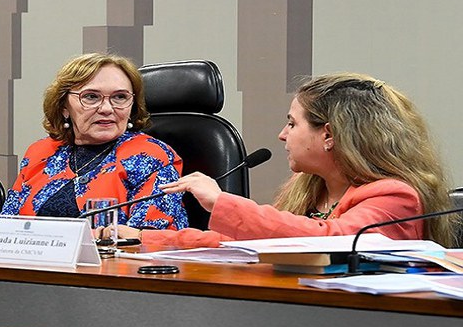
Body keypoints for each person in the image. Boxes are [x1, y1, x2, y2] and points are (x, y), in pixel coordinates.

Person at [114, 72, 458, 247]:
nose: (282, 134)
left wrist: (221, 202)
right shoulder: (308, 187)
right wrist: (143, 238)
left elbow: (335, 243)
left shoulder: (395, 196)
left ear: (329, 135)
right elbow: (246, 247)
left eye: (293, 123)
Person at [0, 53, 188, 229]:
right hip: (35, 263)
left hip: (114, 264)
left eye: (120, 97)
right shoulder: (40, 152)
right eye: (91, 97)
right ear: (64, 106)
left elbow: (147, 237)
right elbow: (5, 225)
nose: (106, 108)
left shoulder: (152, 157)